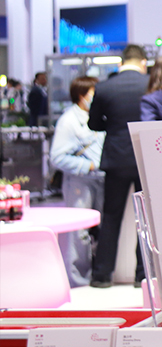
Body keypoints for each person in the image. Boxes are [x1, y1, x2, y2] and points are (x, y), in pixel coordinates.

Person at [88, 44, 150, 288]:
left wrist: (113, 126)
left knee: (111, 216)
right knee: (145, 217)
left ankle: (102, 275)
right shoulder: (150, 84)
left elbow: (94, 124)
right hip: (144, 156)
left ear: (121, 62)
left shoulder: (104, 87)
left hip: (115, 158)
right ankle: (143, 275)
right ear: (143, 62)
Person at [49, 76, 105, 287]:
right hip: (80, 182)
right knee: (79, 233)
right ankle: (78, 280)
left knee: (101, 229)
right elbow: (57, 157)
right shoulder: (69, 121)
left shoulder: (100, 116)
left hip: (102, 179)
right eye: (93, 94)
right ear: (82, 96)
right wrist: (87, 166)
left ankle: (96, 273)